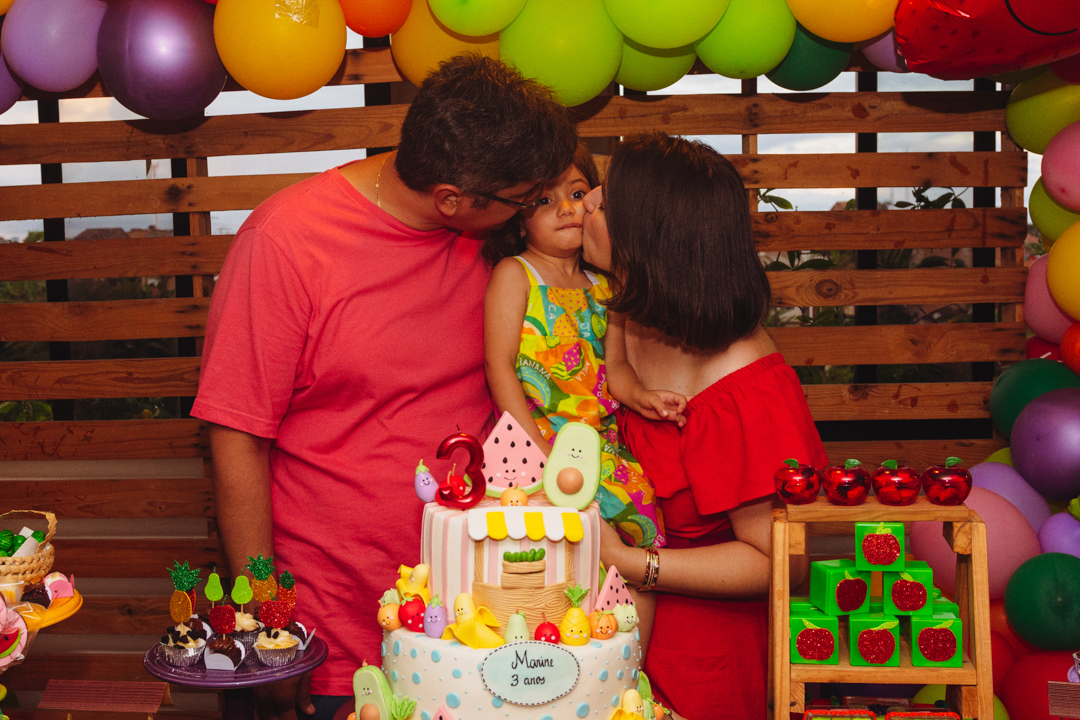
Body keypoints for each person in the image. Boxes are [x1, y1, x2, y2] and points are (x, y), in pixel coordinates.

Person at [190, 54, 577, 720]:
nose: (533, 213)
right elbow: (236, 439)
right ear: (453, 199)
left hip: (477, 626)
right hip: (333, 634)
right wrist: (265, 625)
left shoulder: (505, 254)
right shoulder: (287, 243)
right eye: (525, 200)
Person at [584, 133, 827, 720]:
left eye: (606, 200)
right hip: (612, 643)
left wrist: (634, 565)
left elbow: (783, 562)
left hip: (703, 663)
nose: (587, 203)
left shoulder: (747, 390)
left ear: (651, 239)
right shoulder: (627, 311)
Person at [481, 143, 686, 647]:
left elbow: (615, 366)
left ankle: (628, 674)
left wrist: (641, 396)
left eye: (576, 194)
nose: (568, 208)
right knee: (549, 572)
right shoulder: (515, 274)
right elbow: (499, 365)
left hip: (604, 452)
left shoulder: (606, 284)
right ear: (518, 220)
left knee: (638, 542)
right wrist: (538, 455)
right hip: (535, 452)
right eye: (545, 202)